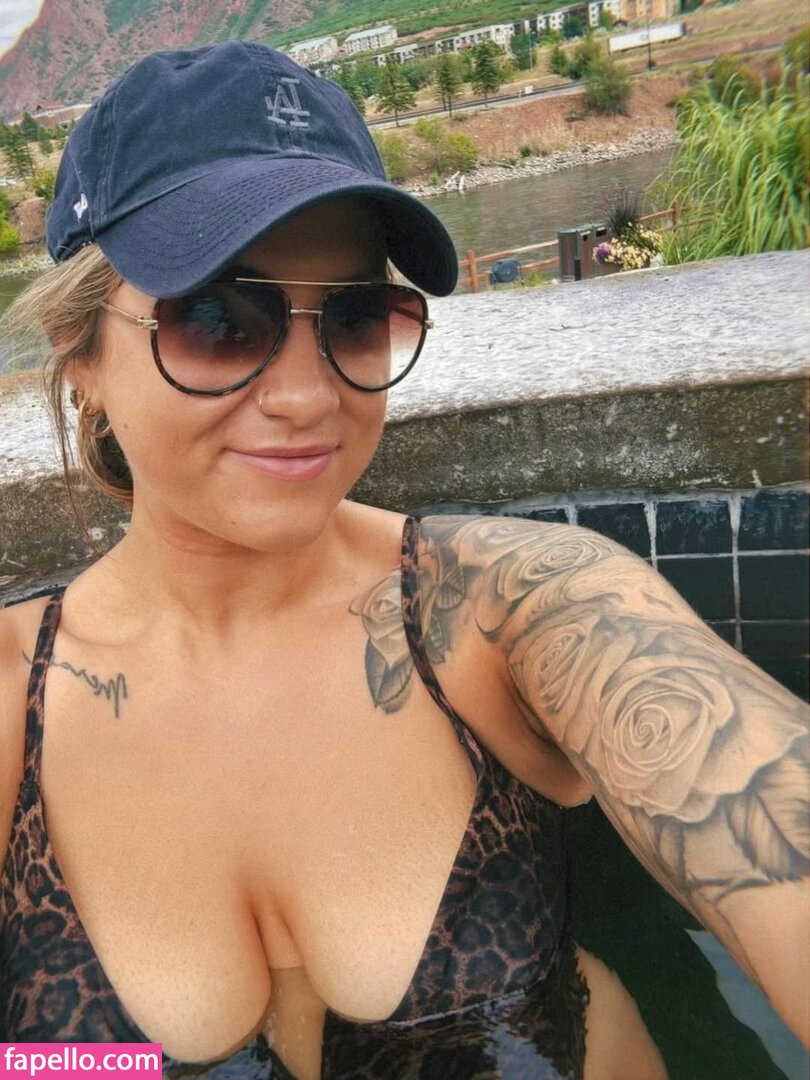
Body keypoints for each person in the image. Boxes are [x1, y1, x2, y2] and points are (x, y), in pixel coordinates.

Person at [0, 42, 807, 1080]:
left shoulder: (512, 611)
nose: (307, 396)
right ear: (81, 355)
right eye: (215, 319)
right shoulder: (15, 701)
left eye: (354, 316)